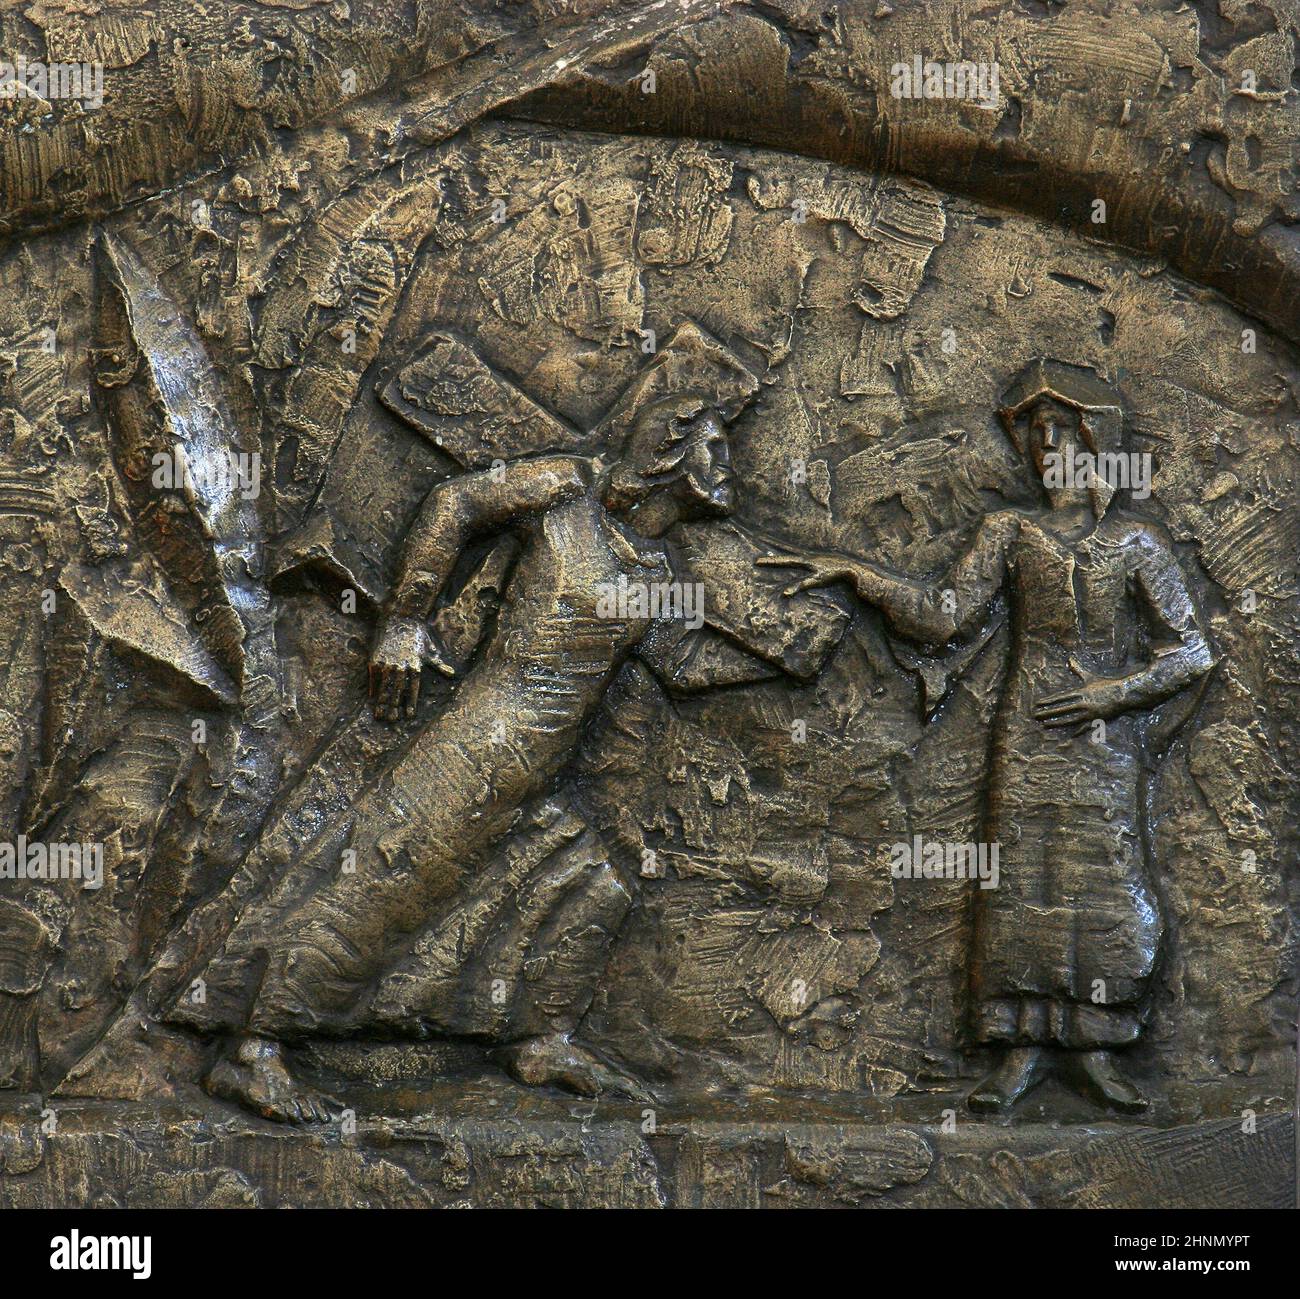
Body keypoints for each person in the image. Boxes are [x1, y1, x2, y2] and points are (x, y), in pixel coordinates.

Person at [169, 394, 737, 1121]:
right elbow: (455, 502)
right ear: (667, 451)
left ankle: (538, 1038)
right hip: (484, 741)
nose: (729, 471)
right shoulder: (567, 491)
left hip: (544, 768)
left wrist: (831, 620)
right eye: (714, 451)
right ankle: (253, 1048)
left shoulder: (655, 570)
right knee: (380, 883)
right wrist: (403, 619)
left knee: (590, 886)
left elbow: (681, 666)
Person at [761, 361, 1215, 1113]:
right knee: (1019, 882)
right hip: (1026, 735)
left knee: (1102, 880)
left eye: (1060, 429)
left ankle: (1098, 1046)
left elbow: (1190, 652)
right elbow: (943, 615)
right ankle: (1021, 1050)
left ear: (1095, 437)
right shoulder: (1010, 531)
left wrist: (1114, 696)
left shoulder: (1136, 543)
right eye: (1035, 431)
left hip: (1102, 747)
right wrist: (856, 574)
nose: (1044, 444)